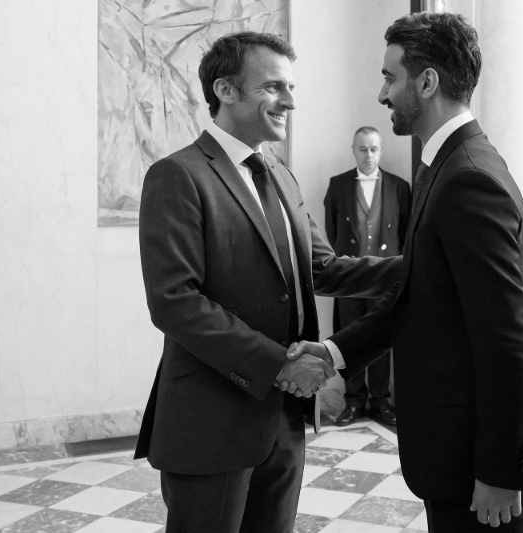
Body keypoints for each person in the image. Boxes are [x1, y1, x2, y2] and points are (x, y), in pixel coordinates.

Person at [284, 12, 523, 532]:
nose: (382, 93)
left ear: (428, 81)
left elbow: (509, 338)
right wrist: (333, 353)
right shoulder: (447, 166)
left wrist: (501, 470)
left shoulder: (467, 180)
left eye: (390, 77)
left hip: (481, 463)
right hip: (459, 453)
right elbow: (421, 296)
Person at [134, 32, 401, 533]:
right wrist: (280, 365)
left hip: (283, 422)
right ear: (227, 90)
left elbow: (323, 269)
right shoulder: (177, 176)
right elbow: (175, 302)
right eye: (274, 87)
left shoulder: (281, 174)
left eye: (291, 87)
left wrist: (421, 264)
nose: (291, 102)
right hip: (211, 420)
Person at [324, 126, 411, 426]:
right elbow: (332, 233)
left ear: (381, 150)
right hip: (349, 280)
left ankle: (380, 402)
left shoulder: (400, 188)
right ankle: (354, 402)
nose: (369, 155)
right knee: (350, 337)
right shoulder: (338, 186)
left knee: (381, 339)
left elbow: (404, 235)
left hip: (387, 280)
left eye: (374, 149)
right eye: (363, 149)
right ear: (353, 150)